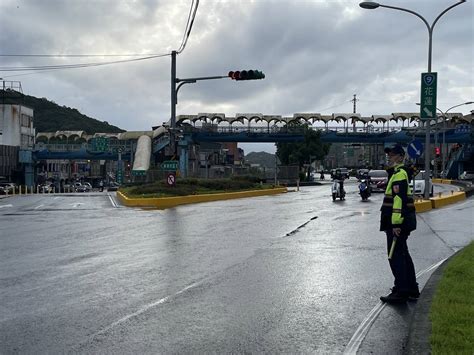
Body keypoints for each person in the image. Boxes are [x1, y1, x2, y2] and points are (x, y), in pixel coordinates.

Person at [380, 144, 419, 303]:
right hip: (401, 222)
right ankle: (411, 289)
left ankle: (401, 291)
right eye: (389, 154)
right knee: (403, 255)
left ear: (401, 157)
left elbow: (399, 201)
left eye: (393, 154)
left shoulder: (400, 175)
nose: (390, 157)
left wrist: (396, 224)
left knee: (395, 257)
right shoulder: (398, 174)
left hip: (397, 224)